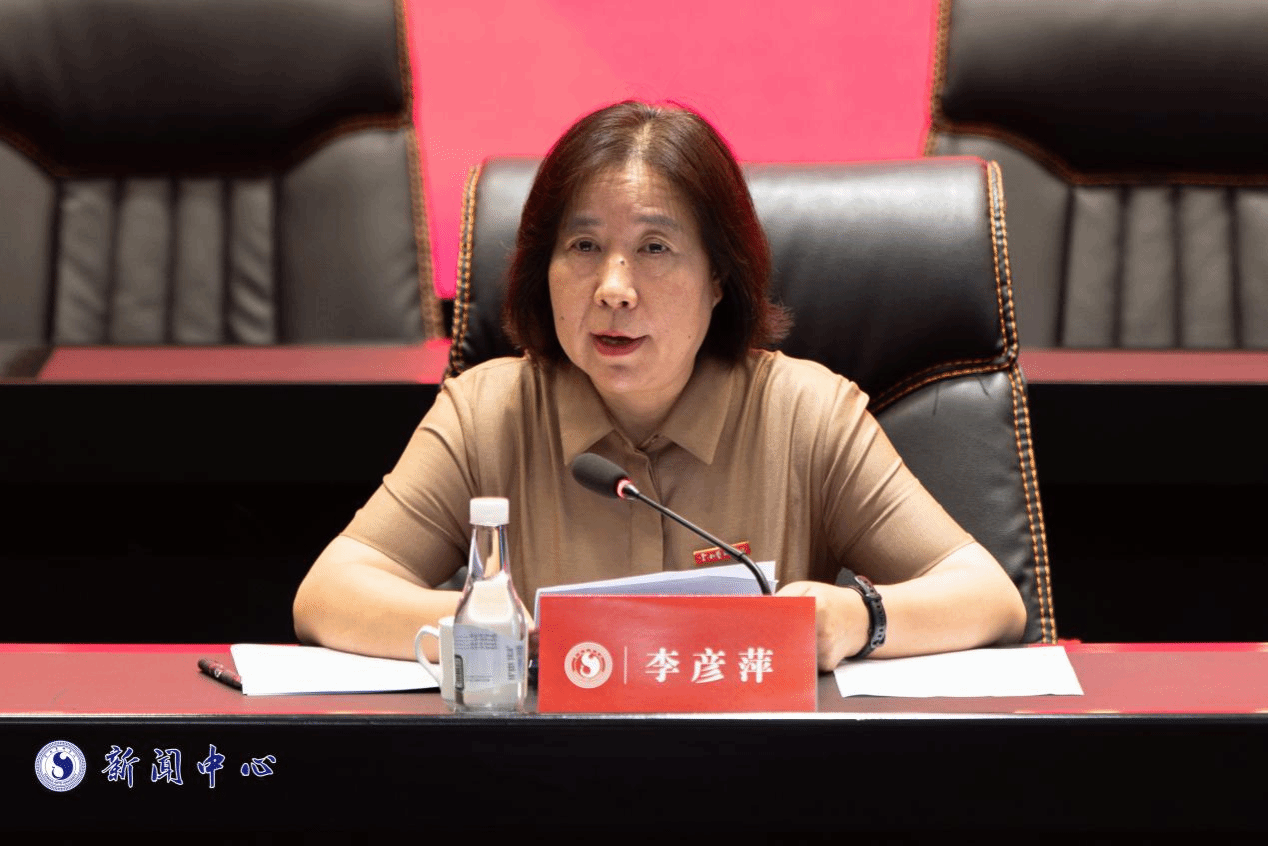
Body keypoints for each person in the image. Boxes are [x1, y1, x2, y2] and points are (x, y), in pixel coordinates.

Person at [293, 100, 1026, 670]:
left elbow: (988, 596)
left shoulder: (806, 414)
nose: (613, 287)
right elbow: (330, 594)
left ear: (719, 279)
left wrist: (857, 620)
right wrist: (494, 630)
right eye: (584, 246)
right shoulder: (491, 410)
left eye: (654, 247)